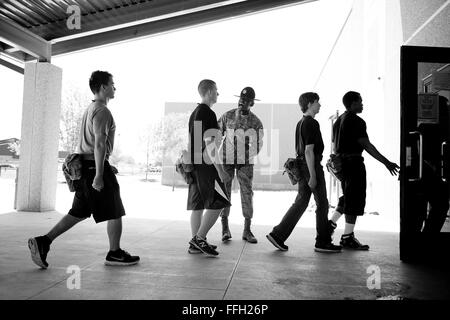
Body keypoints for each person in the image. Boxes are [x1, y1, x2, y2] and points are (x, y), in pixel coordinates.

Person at [28, 70, 140, 268]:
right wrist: (99, 173)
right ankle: (114, 253)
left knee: (78, 212)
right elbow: (98, 143)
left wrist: (105, 163)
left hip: (85, 167)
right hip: (92, 169)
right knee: (115, 210)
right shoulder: (102, 110)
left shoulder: (91, 108)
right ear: (103, 87)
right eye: (112, 84)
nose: (115, 88)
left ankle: (43, 242)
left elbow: (91, 145)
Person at [266, 92, 342, 253]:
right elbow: (309, 151)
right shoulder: (311, 123)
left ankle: (278, 234)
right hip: (310, 166)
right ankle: (322, 242)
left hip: (302, 166)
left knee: (301, 202)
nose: (319, 105)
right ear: (309, 104)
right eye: (317, 102)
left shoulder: (301, 123)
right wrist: (313, 175)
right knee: (322, 204)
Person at [330, 91, 400, 250]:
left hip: (341, 164)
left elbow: (334, 146)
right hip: (354, 163)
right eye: (360, 102)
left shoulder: (338, 121)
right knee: (353, 199)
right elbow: (366, 145)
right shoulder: (357, 121)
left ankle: (330, 225)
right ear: (353, 103)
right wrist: (386, 162)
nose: (362, 104)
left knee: (348, 197)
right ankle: (347, 237)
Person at [186, 79, 231, 257]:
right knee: (219, 202)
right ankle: (199, 238)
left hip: (195, 165)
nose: (218, 94)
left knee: (197, 205)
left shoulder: (195, 113)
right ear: (210, 92)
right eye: (217, 91)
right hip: (206, 166)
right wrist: (220, 169)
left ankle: (195, 243)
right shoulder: (208, 114)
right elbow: (210, 144)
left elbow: (193, 142)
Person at [218, 87, 264, 244]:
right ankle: (225, 229)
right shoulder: (227, 116)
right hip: (226, 159)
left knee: (247, 192)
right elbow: (217, 135)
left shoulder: (256, 121)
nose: (241, 102)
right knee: (225, 192)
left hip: (245, 162)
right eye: (240, 99)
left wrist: (249, 154)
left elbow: (259, 143)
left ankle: (247, 230)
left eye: (245, 100)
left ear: (252, 103)